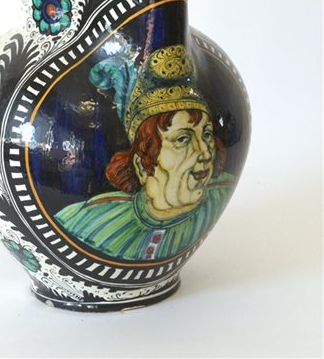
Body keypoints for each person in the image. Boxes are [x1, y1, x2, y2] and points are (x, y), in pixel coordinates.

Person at [55, 45, 235, 261]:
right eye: (183, 139)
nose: (205, 153)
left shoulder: (220, 193)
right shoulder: (85, 221)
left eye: (206, 135)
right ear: (142, 164)